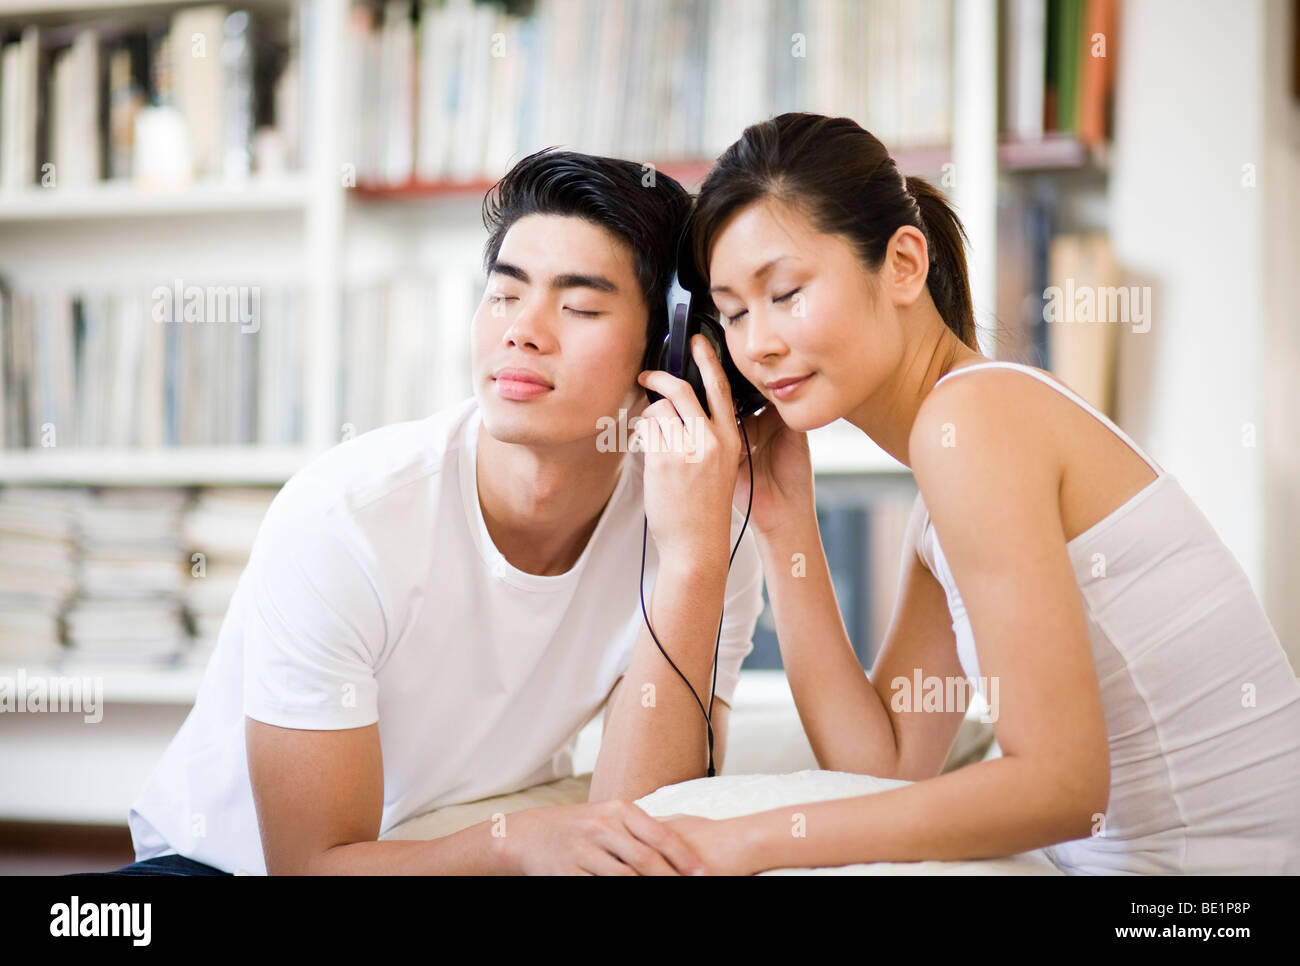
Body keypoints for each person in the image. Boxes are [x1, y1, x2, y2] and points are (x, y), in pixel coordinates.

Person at [649, 112, 1300, 875]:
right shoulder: (955, 453)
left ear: (902, 264)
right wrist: (786, 524)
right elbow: (884, 767)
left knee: (718, 823)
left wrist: (750, 841)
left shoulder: (976, 422)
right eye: (731, 313)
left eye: (786, 291)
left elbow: (1062, 787)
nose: (756, 342)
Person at [104, 149, 764, 875]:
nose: (522, 331)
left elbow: (644, 833)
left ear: (668, 352)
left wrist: (695, 564)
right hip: (225, 870)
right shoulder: (346, 520)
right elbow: (311, 866)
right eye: (505, 295)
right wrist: (516, 843)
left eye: (578, 306)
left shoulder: (702, 535)